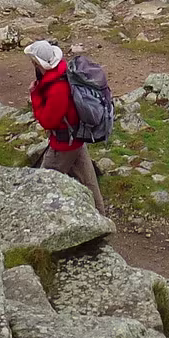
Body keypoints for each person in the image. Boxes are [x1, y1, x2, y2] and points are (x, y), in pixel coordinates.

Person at [25, 39, 107, 214]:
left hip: (63, 145)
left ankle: (40, 219)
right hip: (77, 139)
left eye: (33, 62)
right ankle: (101, 217)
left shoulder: (57, 88)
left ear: (38, 64)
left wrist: (35, 95)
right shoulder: (64, 72)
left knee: (43, 184)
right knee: (89, 182)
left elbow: (48, 121)